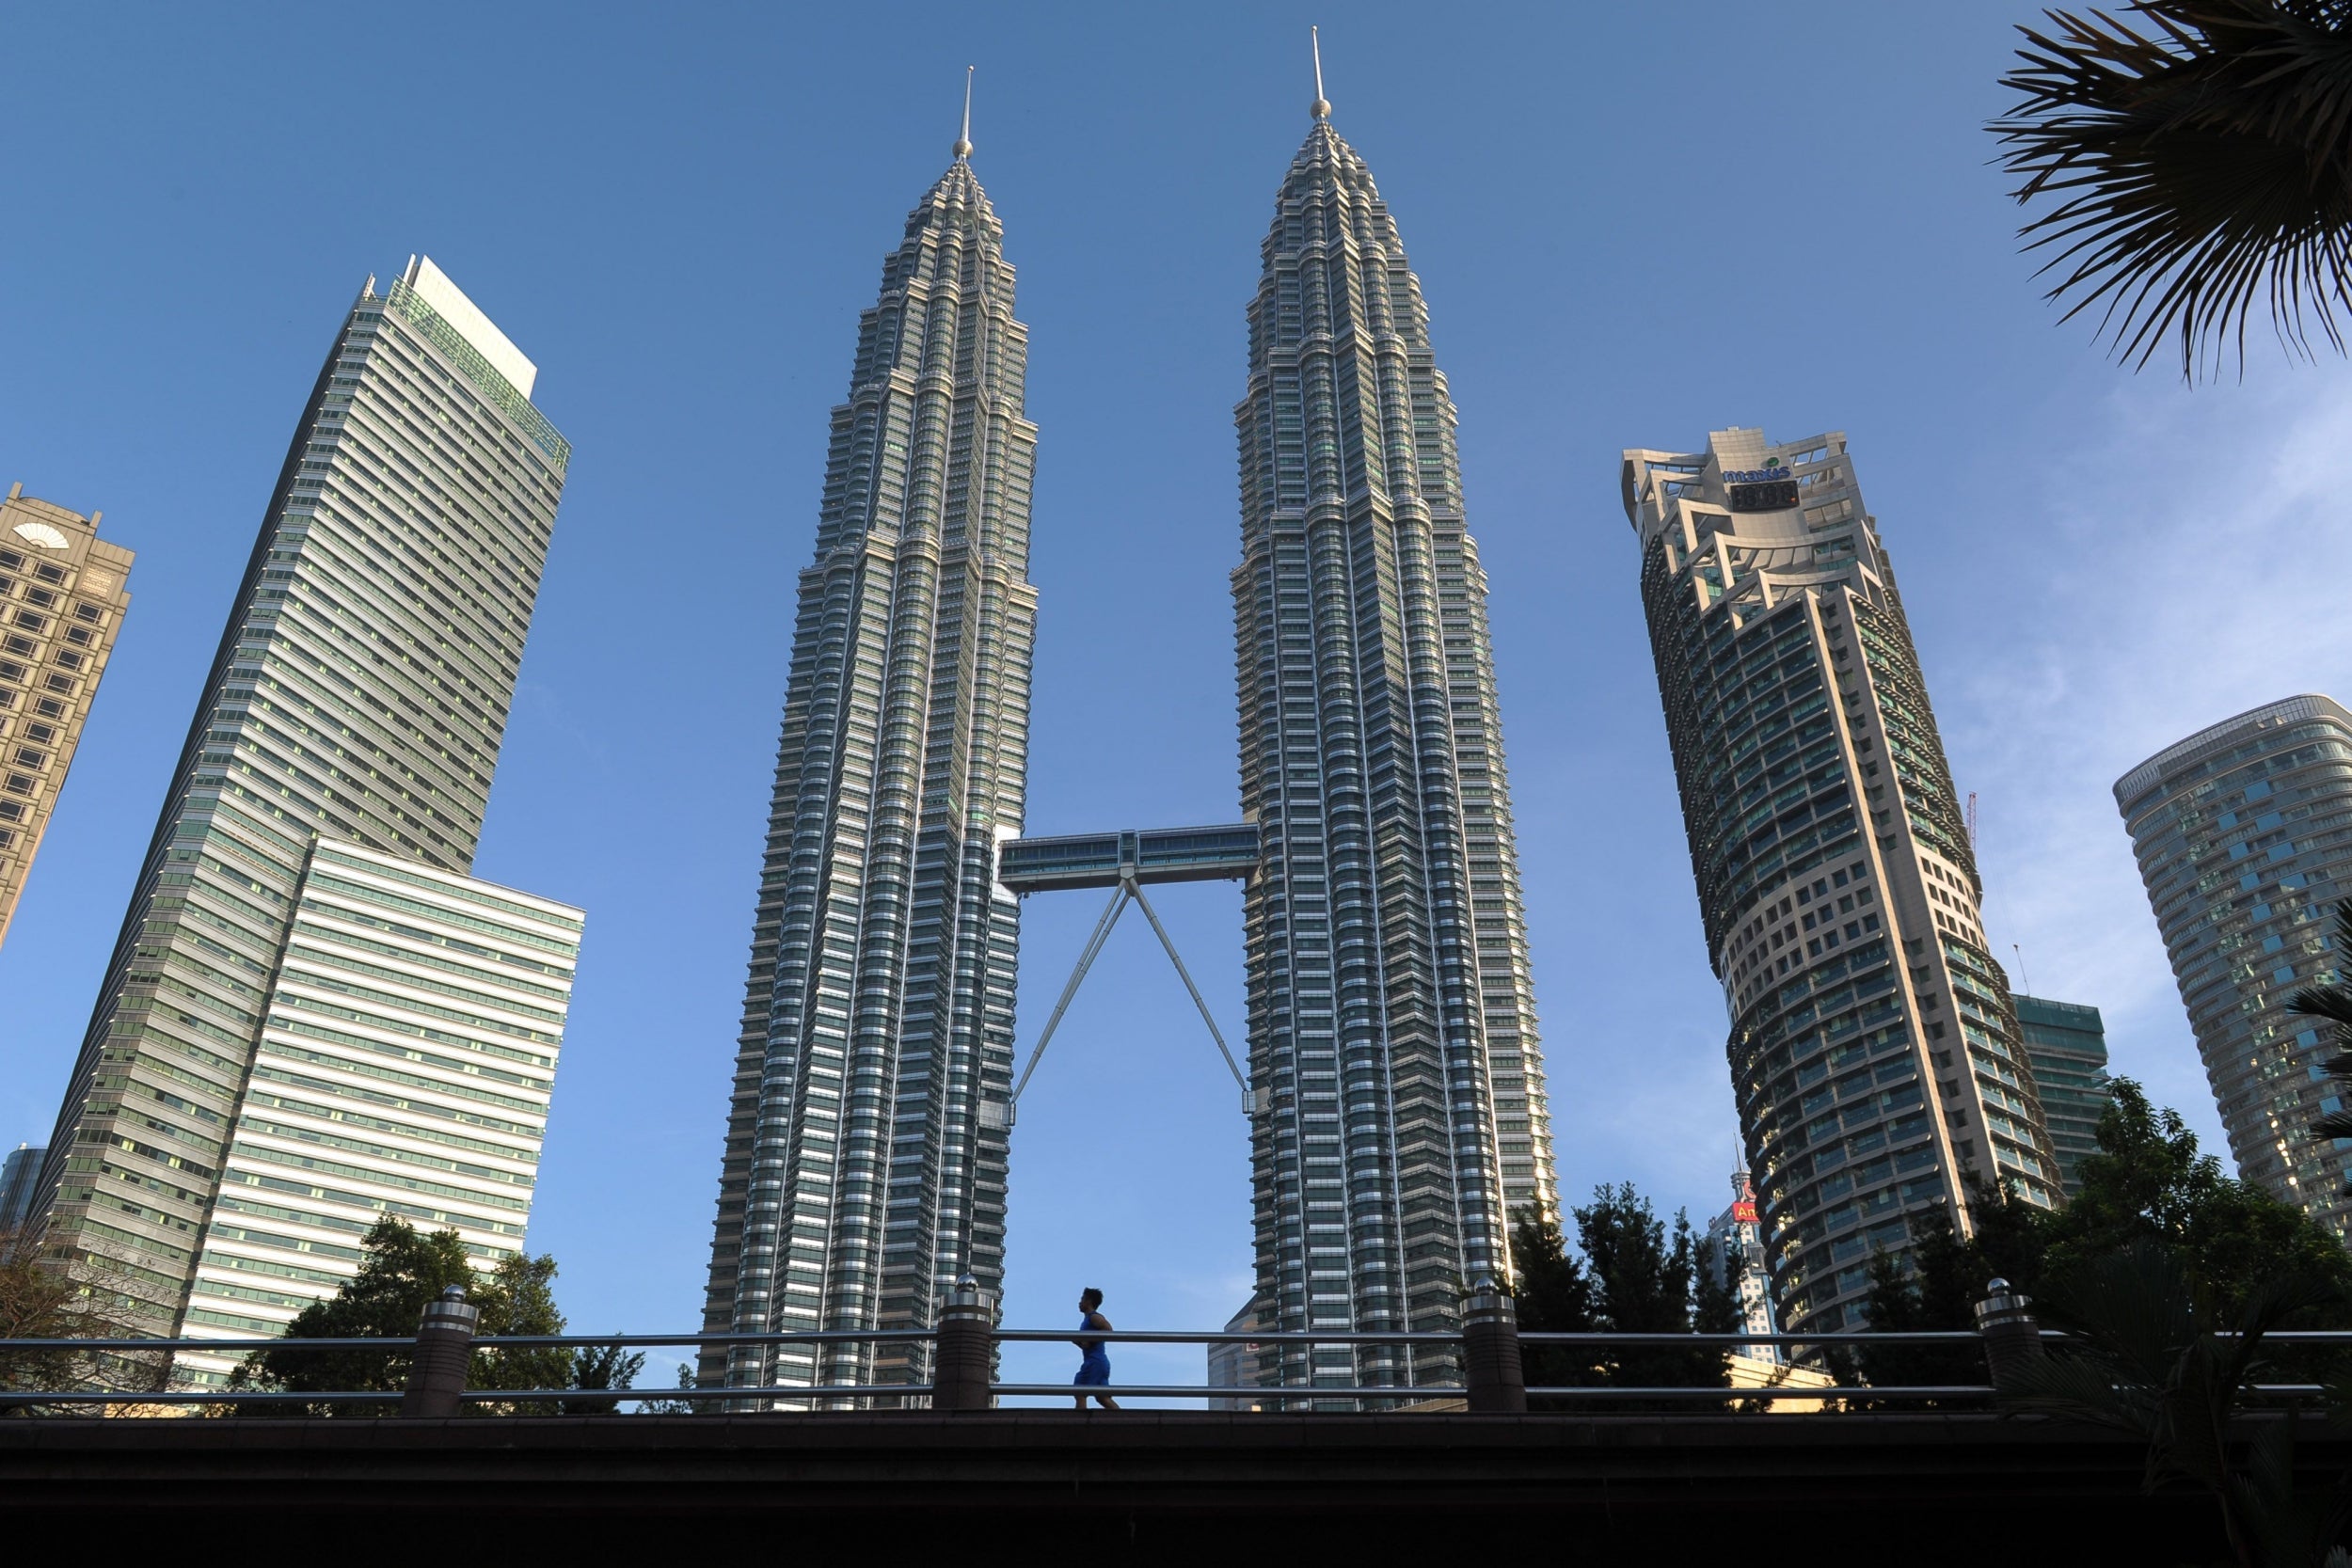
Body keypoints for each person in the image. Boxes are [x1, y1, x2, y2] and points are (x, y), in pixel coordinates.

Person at [1073, 1287, 1118, 1410]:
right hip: (1093, 1361)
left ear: (1089, 1301)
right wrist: (1079, 1342)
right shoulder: (1087, 1320)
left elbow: (1109, 1330)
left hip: (1096, 1362)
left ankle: (1079, 1422)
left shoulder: (1094, 1317)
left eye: (1082, 1299)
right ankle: (1125, 1421)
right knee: (1096, 1395)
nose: (1079, 1302)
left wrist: (1090, 1340)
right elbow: (1086, 1344)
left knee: (1082, 1391)